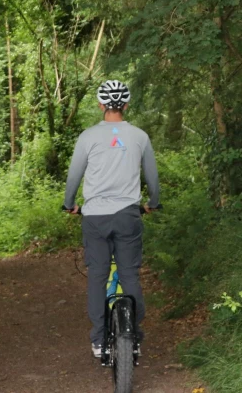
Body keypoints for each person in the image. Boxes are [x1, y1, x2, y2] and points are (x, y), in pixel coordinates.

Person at [64, 79, 160, 359]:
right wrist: (152, 203)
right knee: (130, 275)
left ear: (101, 105)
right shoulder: (140, 136)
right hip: (128, 216)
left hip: (94, 217)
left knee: (97, 276)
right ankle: (135, 337)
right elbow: (152, 177)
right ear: (127, 104)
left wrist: (69, 204)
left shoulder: (88, 136)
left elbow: (74, 176)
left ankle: (98, 340)